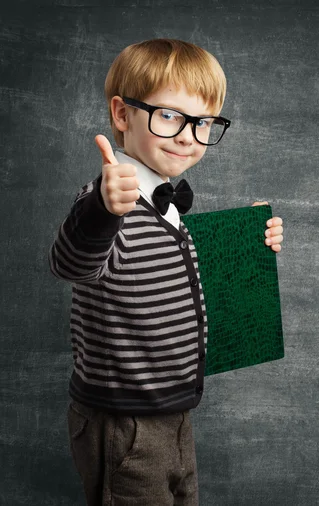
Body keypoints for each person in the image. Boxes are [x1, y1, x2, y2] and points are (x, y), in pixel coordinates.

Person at [48, 38, 284, 505]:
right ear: (122, 115)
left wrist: (250, 240)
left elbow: (183, 282)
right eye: (170, 116)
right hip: (123, 420)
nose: (186, 137)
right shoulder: (107, 203)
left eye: (202, 124)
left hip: (175, 410)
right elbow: (71, 262)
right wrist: (101, 208)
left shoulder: (170, 210)